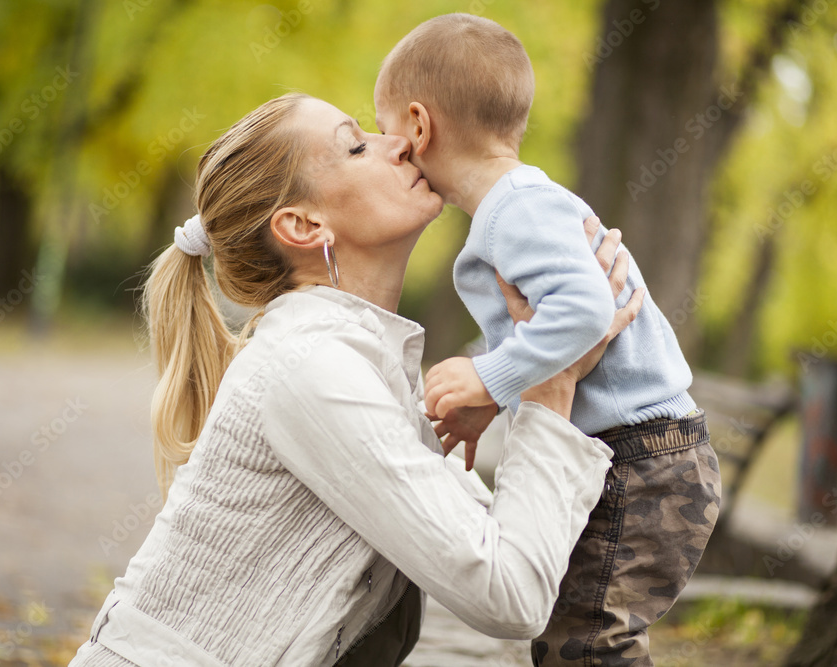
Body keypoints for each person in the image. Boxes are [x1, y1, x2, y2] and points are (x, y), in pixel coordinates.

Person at [69, 92, 643, 667]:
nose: (401, 143)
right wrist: (551, 383)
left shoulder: (366, 361)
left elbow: (497, 550)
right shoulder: (311, 368)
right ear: (303, 224)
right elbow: (508, 597)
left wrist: (541, 354)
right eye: (356, 144)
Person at [373, 14, 721, 666]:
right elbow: (545, 324)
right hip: (641, 453)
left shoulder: (518, 211)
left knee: (587, 642)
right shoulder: (520, 207)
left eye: (386, 131)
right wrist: (490, 388)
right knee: (569, 633)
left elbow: (585, 312)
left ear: (418, 126)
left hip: (641, 459)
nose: (389, 151)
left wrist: (491, 377)